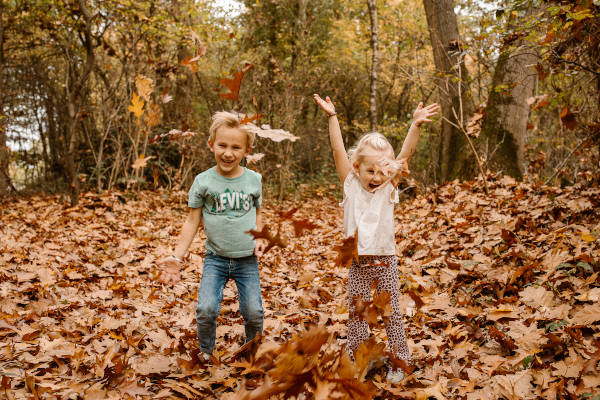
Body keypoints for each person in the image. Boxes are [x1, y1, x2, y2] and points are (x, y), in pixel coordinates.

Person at [313, 93, 439, 383]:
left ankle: (400, 361)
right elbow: (338, 151)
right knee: (357, 316)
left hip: (385, 263)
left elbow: (405, 155)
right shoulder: (350, 184)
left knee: (391, 314)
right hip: (358, 264)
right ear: (357, 168)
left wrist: (415, 125)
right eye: (370, 170)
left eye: (383, 171)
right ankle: (357, 361)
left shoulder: (388, 187)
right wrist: (333, 118)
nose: (377, 176)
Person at [158, 111, 266, 361]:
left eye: (236, 147)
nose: (228, 153)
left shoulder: (253, 180)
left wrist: (259, 236)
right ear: (211, 145)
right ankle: (206, 352)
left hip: (246, 260)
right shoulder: (203, 181)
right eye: (222, 145)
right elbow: (192, 221)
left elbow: (258, 212)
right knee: (206, 309)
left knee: (253, 311)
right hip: (215, 259)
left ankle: (252, 352)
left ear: (247, 150)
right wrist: (177, 256)